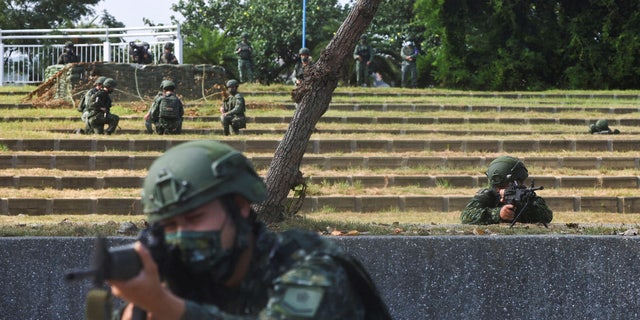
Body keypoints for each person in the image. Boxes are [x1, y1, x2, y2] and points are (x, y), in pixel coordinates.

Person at [108, 140, 392, 319]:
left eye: (195, 219)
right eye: (170, 225)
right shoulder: (182, 275)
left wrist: (163, 304)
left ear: (240, 206)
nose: (182, 235)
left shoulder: (311, 268)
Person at [460, 155, 553, 225]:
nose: (520, 185)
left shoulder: (525, 196)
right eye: (508, 184)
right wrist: (498, 214)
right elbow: (466, 216)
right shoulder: (488, 196)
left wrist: (522, 209)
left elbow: (547, 215)